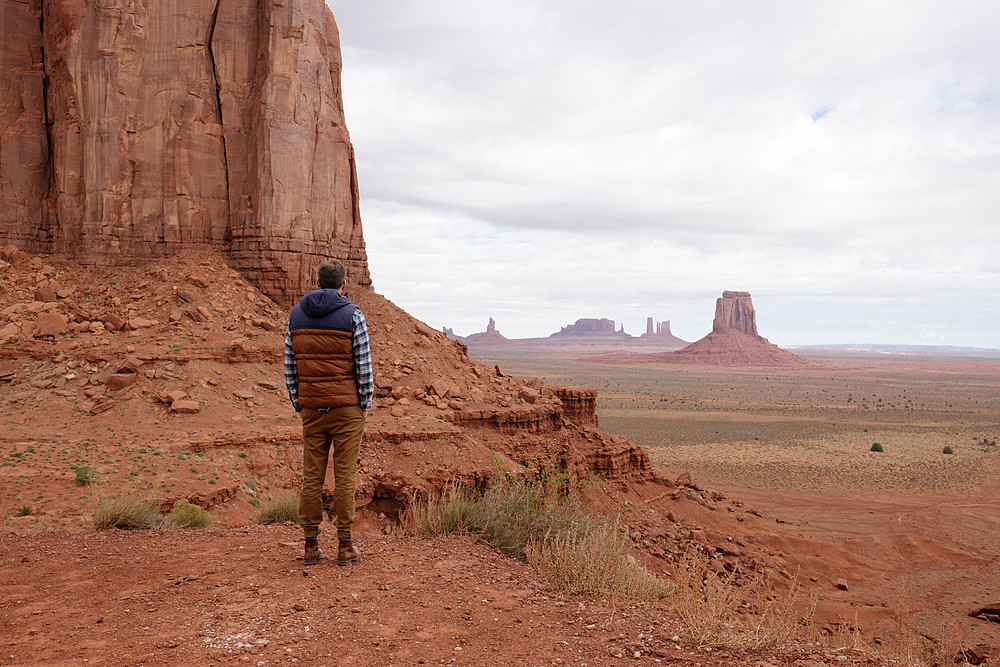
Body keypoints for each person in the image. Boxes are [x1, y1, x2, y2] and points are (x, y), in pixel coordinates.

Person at [284, 259, 373, 566]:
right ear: (343, 285)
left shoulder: (296, 315)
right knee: (345, 477)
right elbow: (363, 366)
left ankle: (310, 546)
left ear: (317, 281)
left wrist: (300, 401)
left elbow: (289, 366)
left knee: (312, 476)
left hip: (311, 408)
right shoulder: (353, 315)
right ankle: (345, 547)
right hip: (347, 409)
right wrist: (363, 403)